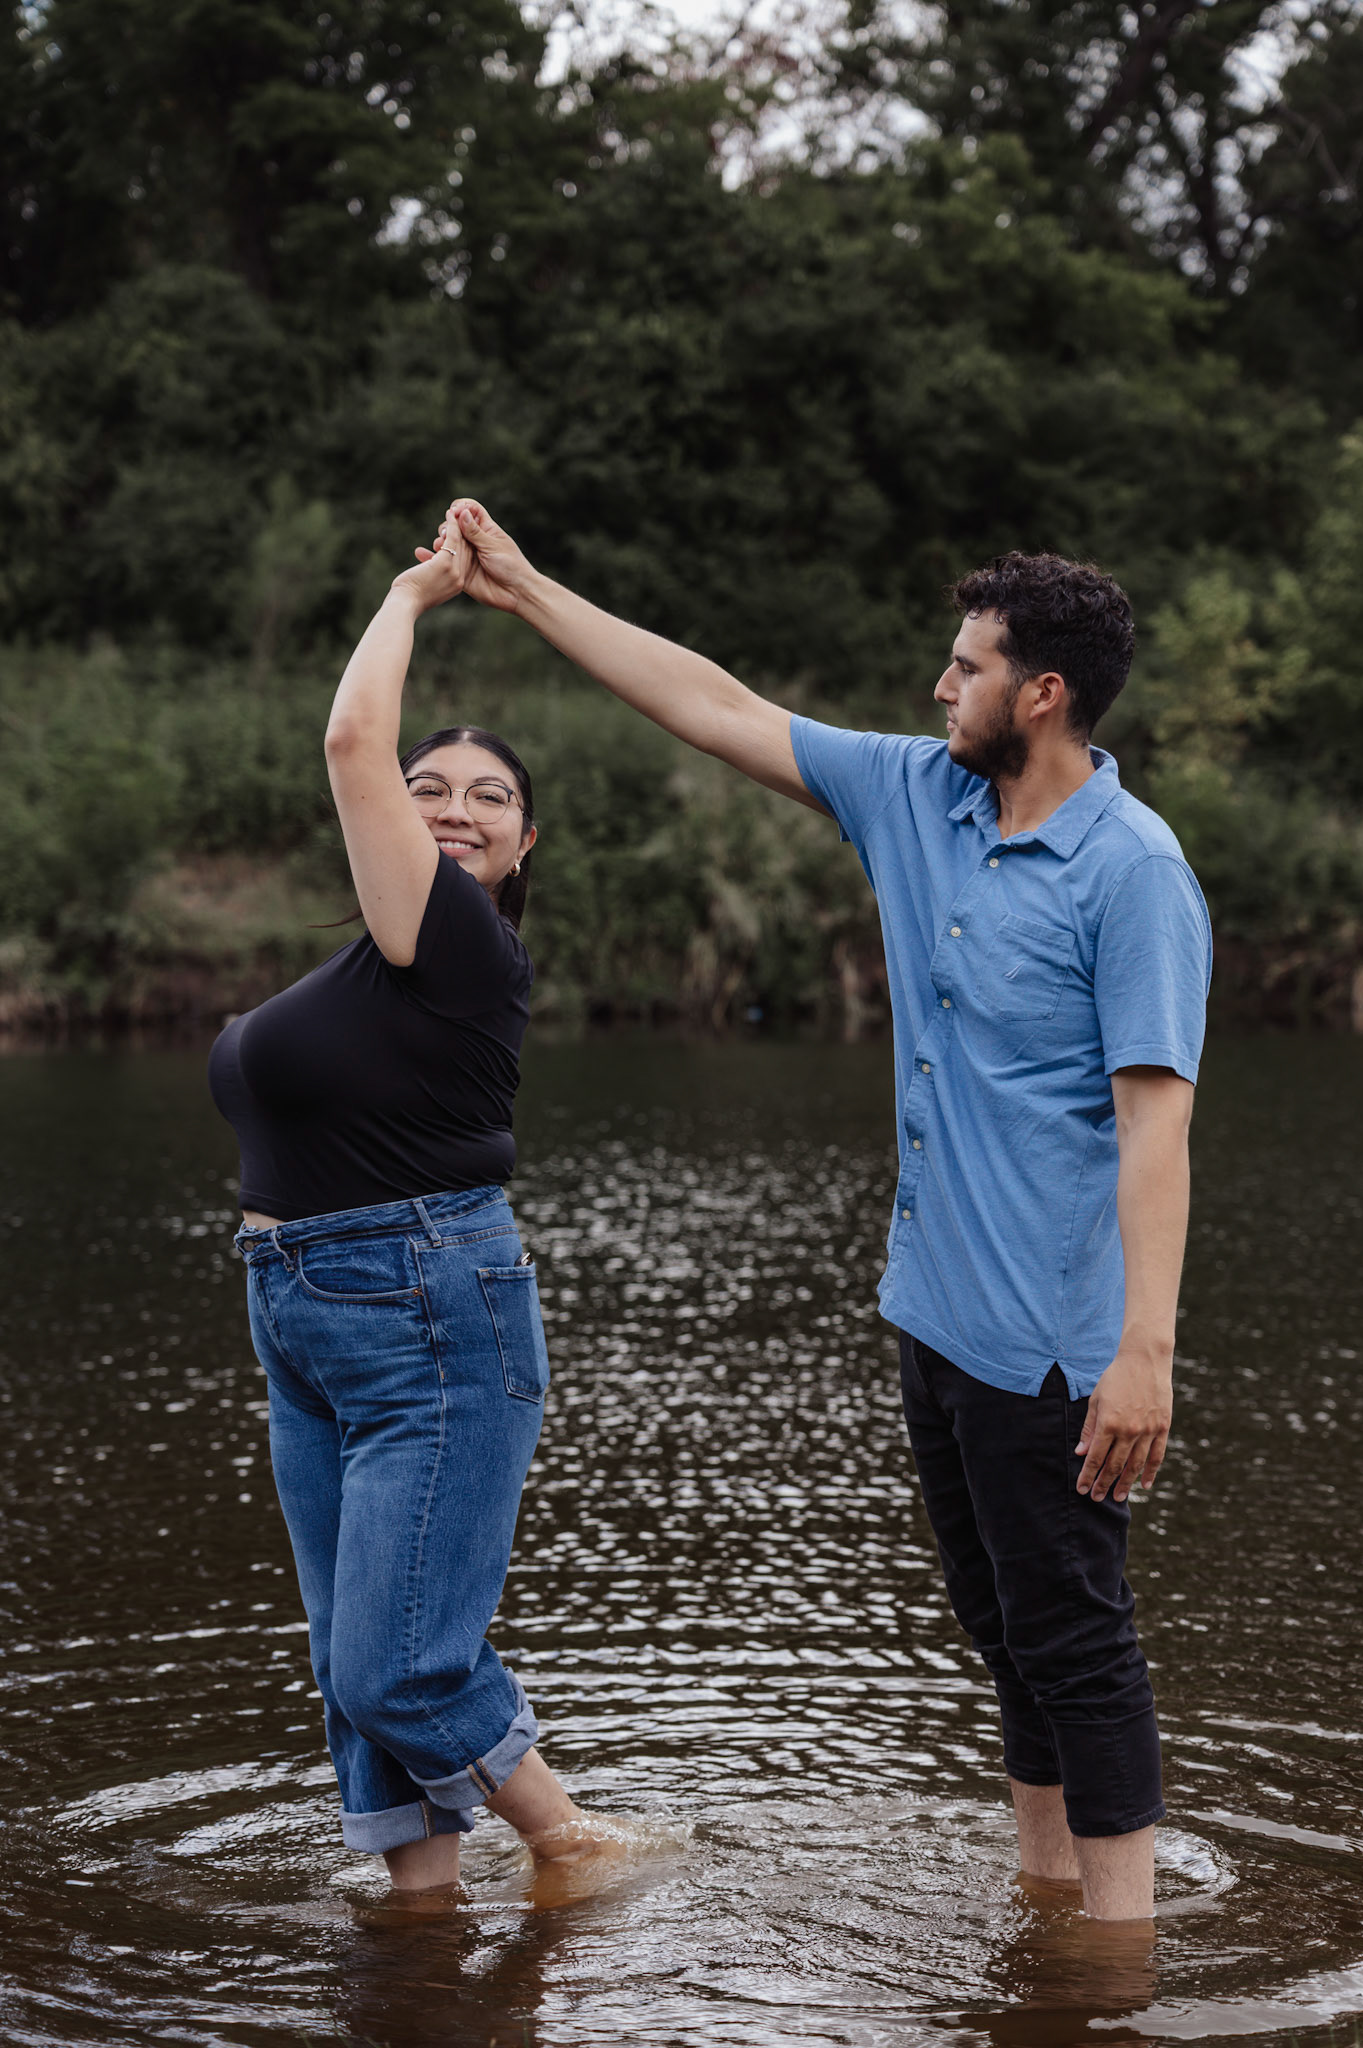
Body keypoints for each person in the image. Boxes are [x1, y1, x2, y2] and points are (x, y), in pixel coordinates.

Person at [433, 495, 1211, 1923]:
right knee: (1006, 1634)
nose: (939, 685)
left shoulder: (1134, 872)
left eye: (966, 665)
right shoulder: (921, 796)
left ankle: (1116, 1960)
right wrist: (528, 590)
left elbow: (1157, 1124)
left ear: (1041, 694)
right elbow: (716, 705)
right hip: (935, 1311)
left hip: (1055, 1340)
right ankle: (1047, 1903)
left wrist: (1144, 1354)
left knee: (1078, 1645)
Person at [208, 533, 625, 1898]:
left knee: (397, 1661)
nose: (454, 807)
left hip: (423, 1309)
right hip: (307, 1312)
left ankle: (576, 1846)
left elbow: (350, 741)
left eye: (489, 796)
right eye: (428, 786)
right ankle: (418, 1916)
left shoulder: (459, 944)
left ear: (523, 843)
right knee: (348, 1660)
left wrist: (408, 595)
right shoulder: (377, 959)